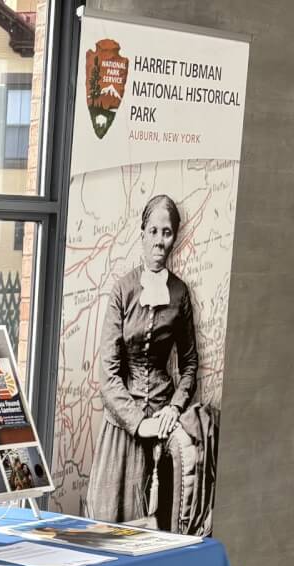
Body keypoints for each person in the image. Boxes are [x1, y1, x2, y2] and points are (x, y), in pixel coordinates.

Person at [86, 194, 207, 532]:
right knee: (108, 524)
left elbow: (190, 363)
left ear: (175, 237)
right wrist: (139, 423)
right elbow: (108, 376)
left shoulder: (181, 294)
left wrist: (173, 407)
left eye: (166, 233)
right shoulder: (122, 291)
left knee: (157, 524)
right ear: (142, 234)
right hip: (123, 427)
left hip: (164, 423)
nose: (159, 241)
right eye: (153, 231)